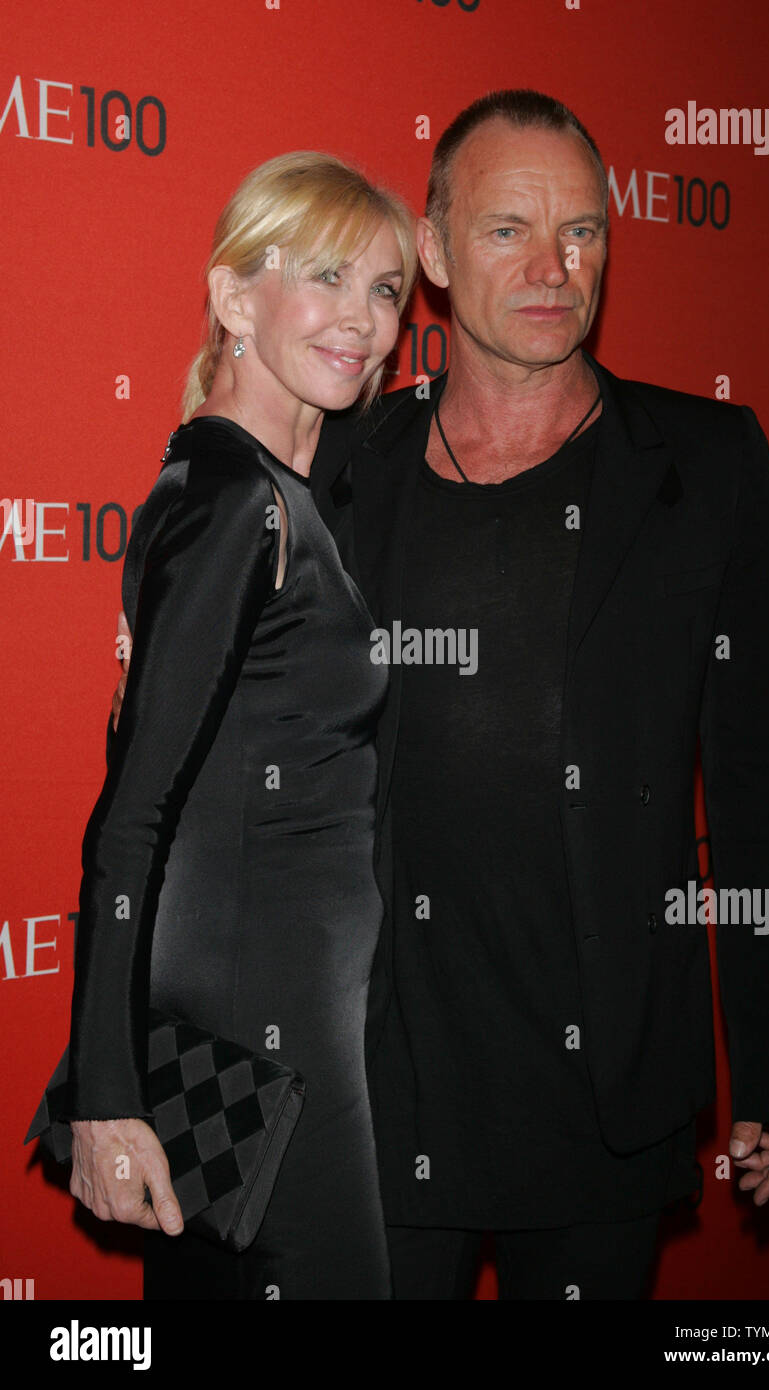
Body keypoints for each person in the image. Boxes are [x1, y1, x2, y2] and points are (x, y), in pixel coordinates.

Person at [114, 91, 769, 1301]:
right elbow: (196, 774)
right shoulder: (339, 457)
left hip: (599, 1098)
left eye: (584, 233)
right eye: (507, 230)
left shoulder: (706, 466)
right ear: (437, 255)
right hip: (370, 1080)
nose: (555, 267)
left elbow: (766, 782)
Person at [62, 150, 418, 1300]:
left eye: (385, 291)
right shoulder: (233, 502)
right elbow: (133, 814)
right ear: (231, 298)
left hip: (284, 1016)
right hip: (275, 1035)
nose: (363, 322)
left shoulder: (270, 484)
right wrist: (109, 1101)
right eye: (325, 276)